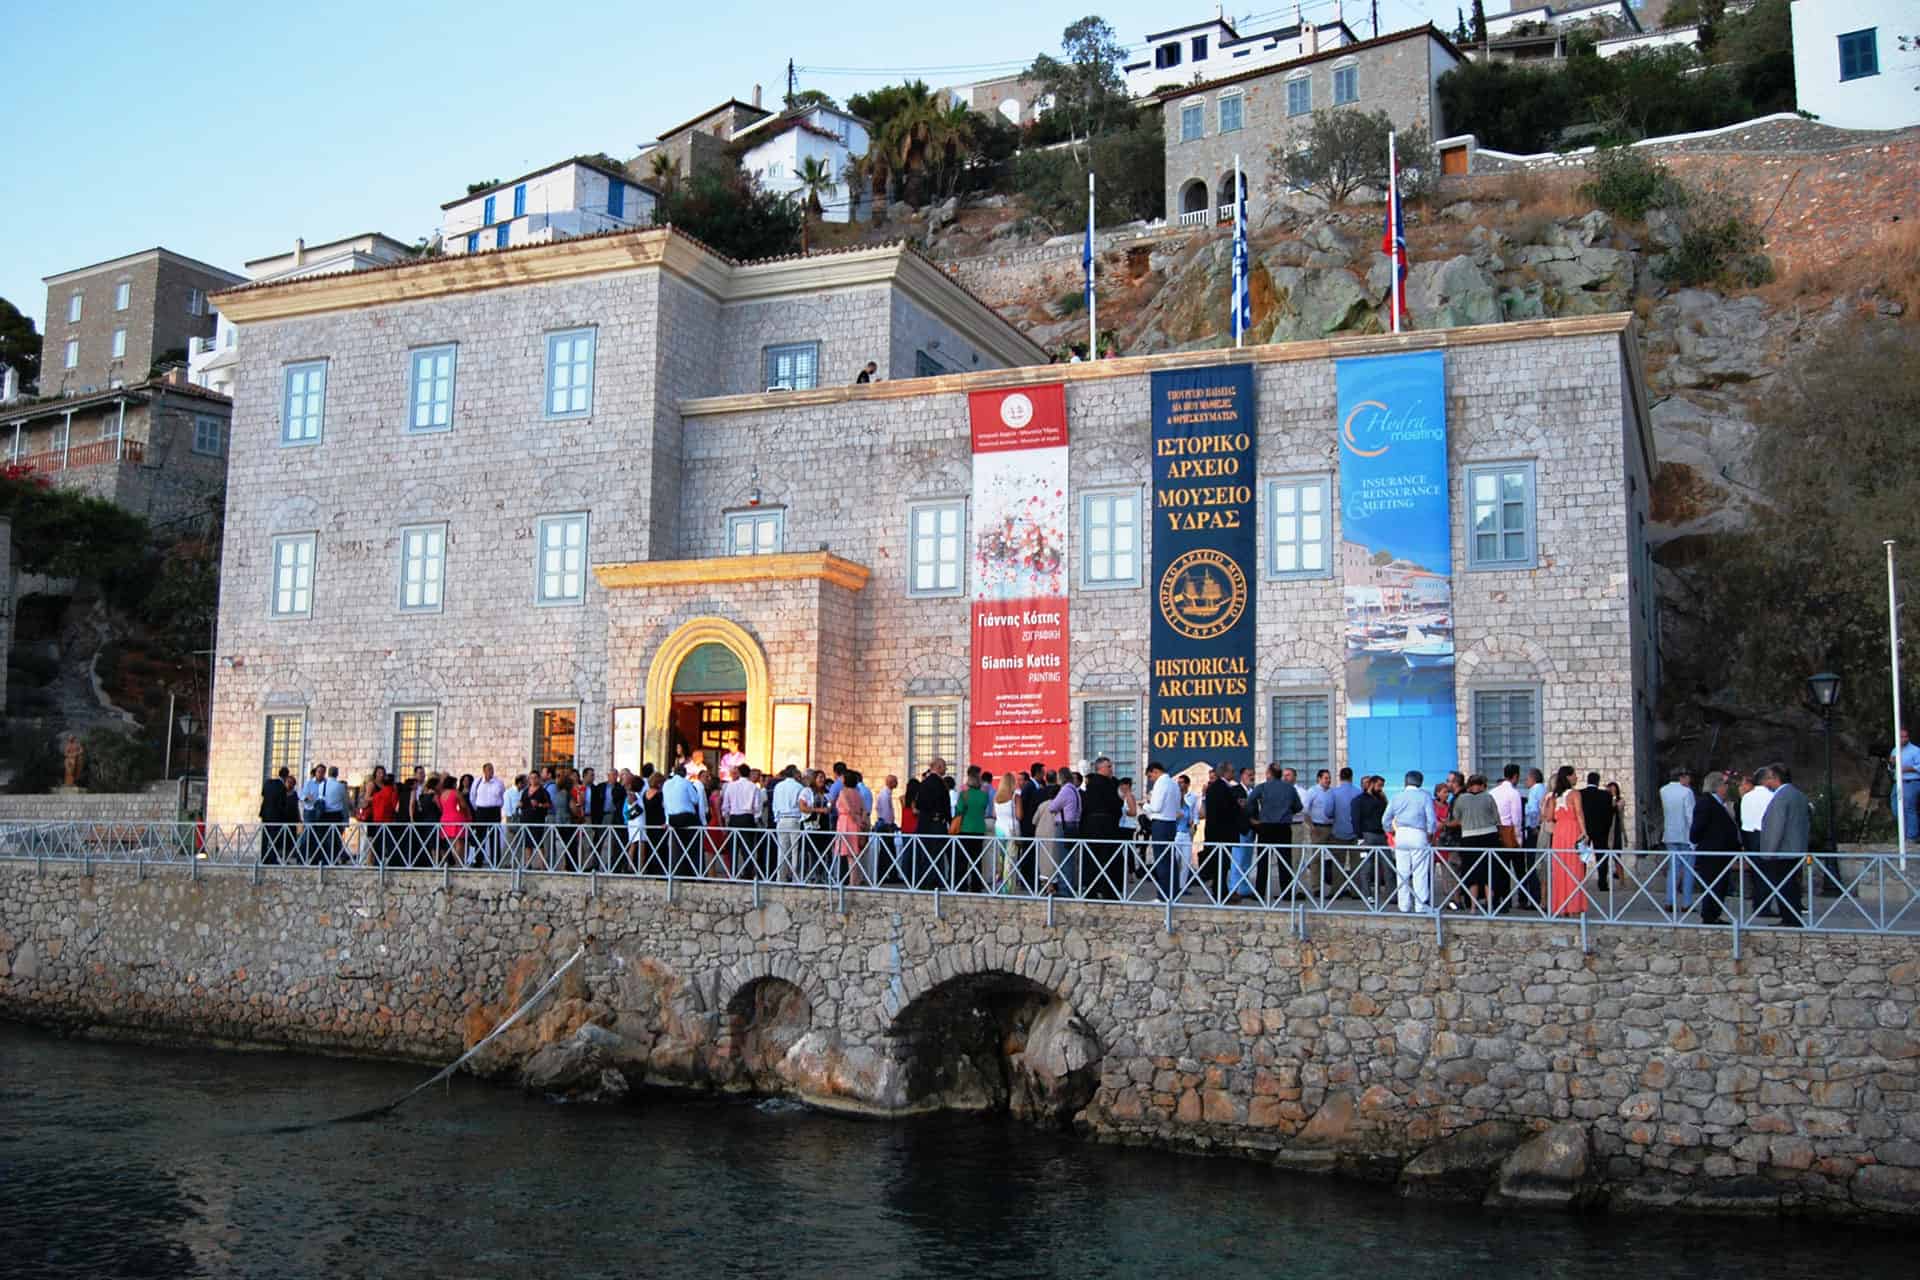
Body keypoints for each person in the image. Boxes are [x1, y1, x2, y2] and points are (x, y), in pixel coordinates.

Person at [1755, 764, 1811, 927]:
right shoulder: (1798, 795)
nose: (1766, 782)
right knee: (1792, 885)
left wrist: (1768, 852)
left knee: (1784, 886)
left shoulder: (1781, 797)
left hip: (1783, 851)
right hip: (1796, 848)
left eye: (1768, 778)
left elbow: (1776, 826)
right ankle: (1792, 917)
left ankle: (1789, 919)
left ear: (1775, 778)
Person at [1690, 770, 1742, 925]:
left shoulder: (1718, 804)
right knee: (1713, 884)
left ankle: (1714, 914)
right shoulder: (1706, 803)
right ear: (1717, 786)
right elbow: (1697, 828)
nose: (1727, 788)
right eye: (1725, 784)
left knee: (1720, 885)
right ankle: (1709, 915)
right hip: (1711, 853)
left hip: (1721, 853)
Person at [1383, 772, 1438, 912]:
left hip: (1401, 834)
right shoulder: (1424, 796)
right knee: (1420, 872)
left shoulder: (1397, 796)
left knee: (1402, 872)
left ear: (1405, 782)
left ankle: (1404, 905)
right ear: (1420, 782)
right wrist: (1430, 834)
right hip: (1418, 833)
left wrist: (1392, 831)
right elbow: (1431, 820)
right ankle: (1420, 906)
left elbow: (1386, 819)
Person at [1245, 764, 1301, 901]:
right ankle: (1287, 893)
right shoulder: (1290, 788)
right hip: (1283, 827)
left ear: (1269, 773)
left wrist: (1254, 817)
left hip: (1266, 827)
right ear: (1280, 774)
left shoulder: (1263, 787)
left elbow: (1250, 801)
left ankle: (1259, 892)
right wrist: (1287, 812)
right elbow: (1298, 807)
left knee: (1263, 861)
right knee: (1285, 861)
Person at [1544, 766, 1591, 917]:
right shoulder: (1575, 794)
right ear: (1568, 777)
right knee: (1574, 868)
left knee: (1560, 869)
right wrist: (1584, 832)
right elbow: (1579, 813)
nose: (1576, 777)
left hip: (1559, 833)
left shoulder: (1553, 796)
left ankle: (1561, 906)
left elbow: (1549, 817)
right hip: (1572, 830)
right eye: (1574, 775)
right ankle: (1574, 906)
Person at [1080, 757, 1123, 899]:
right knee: (1102, 859)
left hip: (1098, 826)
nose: (1111, 769)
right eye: (1108, 766)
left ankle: (1099, 889)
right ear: (1100, 768)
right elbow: (1114, 804)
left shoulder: (1107, 783)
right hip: (1101, 827)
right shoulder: (1100, 784)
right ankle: (1103, 890)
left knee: (1102, 859)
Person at [1659, 767, 1697, 913]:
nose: (1689, 780)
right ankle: (1686, 902)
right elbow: (1690, 816)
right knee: (1688, 869)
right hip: (1685, 835)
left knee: (1673, 869)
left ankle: (1669, 900)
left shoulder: (1663, 790)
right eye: (1688, 777)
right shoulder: (1687, 792)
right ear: (1682, 777)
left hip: (1670, 834)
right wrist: (1695, 836)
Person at [1144, 761, 1183, 901]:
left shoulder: (1161, 783)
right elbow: (1178, 807)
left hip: (1161, 824)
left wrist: (1146, 805)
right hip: (1171, 823)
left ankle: (1163, 896)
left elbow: (1156, 807)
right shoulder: (1174, 783)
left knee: (1162, 861)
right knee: (1170, 860)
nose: (1150, 780)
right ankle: (1173, 893)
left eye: (1150, 776)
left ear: (1155, 771)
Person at [912, 759, 952, 889]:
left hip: (924, 824)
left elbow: (919, 804)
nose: (946, 770)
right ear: (939, 767)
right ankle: (936, 881)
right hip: (937, 824)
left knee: (926, 853)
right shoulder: (941, 784)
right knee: (937, 854)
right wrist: (949, 820)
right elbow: (945, 806)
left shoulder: (924, 783)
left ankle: (925, 881)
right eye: (944, 767)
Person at [1489, 764, 1525, 911]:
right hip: (1509, 831)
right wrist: (1519, 838)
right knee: (1519, 869)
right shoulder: (1513, 793)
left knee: (1500, 869)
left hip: (1496, 830)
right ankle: (1522, 898)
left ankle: (1501, 900)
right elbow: (1516, 818)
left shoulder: (1493, 792)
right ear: (1515, 776)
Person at [1352, 775, 1388, 903]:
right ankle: (1367, 894)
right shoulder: (1359, 800)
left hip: (1382, 835)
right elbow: (1356, 819)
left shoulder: (1382, 799)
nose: (1380, 788)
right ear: (1371, 784)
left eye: (1382, 786)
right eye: (1378, 785)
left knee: (1387, 865)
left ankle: (1392, 894)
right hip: (1367, 835)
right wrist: (1359, 837)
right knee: (1367, 866)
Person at [955, 767, 990, 891]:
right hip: (979, 829)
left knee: (962, 859)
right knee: (977, 859)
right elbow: (984, 808)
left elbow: (959, 810)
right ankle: (976, 885)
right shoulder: (984, 796)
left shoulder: (964, 795)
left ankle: (961, 885)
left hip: (965, 828)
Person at [834, 769, 870, 886]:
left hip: (847, 823)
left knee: (850, 854)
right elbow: (864, 809)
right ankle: (855, 880)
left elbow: (849, 808)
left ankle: (852, 882)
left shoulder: (843, 792)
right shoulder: (858, 793)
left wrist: (856, 819)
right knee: (855, 854)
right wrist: (862, 821)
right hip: (855, 823)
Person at [992, 773, 1018, 892]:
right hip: (1011, 831)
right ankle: (1008, 888)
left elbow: (994, 814)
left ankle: (998, 884)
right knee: (1010, 859)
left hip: (999, 829)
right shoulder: (1015, 797)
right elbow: (1020, 815)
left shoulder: (996, 797)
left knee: (1001, 858)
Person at [1895, 728, 1920, 846]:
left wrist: (1907, 768)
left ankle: (1911, 836)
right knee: (1896, 807)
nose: (1903, 739)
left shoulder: (1915, 750)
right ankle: (1903, 833)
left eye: (1905, 737)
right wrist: (1891, 764)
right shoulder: (1895, 750)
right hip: (1897, 782)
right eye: (1901, 737)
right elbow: (1892, 768)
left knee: (1909, 808)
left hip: (1911, 781)